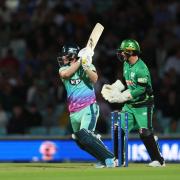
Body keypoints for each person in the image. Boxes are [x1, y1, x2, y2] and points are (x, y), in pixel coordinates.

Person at [101, 39, 165, 167]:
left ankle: (159, 160)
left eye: (123, 52)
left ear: (131, 52)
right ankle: (119, 159)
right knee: (117, 128)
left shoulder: (141, 68)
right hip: (130, 105)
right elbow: (127, 81)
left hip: (143, 104)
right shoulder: (126, 64)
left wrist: (123, 97)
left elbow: (141, 89)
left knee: (145, 132)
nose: (121, 54)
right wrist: (114, 88)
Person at [58, 43, 115, 168]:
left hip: (88, 107)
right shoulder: (63, 69)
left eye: (64, 55)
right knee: (79, 141)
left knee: (85, 135)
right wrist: (81, 61)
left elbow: (94, 79)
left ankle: (110, 157)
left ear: (72, 55)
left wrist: (85, 65)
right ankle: (102, 159)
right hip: (74, 112)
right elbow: (66, 75)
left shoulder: (87, 65)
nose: (62, 58)